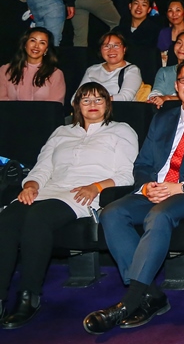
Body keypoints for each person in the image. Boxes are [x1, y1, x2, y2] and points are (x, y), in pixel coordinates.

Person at [82, 57, 184, 334]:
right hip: (154, 189)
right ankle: (152, 295)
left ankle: (129, 301)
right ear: (176, 85)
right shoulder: (162, 119)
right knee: (113, 212)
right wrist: (147, 186)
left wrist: (181, 187)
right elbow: (142, 165)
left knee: (159, 215)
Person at [0, 83, 137, 328]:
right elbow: (42, 168)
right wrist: (30, 185)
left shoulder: (122, 131)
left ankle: (28, 296)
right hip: (48, 189)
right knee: (8, 217)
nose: (92, 105)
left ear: (108, 104)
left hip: (85, 193)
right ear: (77, 106)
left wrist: (97, 186)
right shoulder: (61, 132)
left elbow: (126, 175)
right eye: (86, 100)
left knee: (38, 217)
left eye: (98, 100)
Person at [0, 29, 65, 103]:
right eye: (33, 41)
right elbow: (1, 101)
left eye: (42, 43)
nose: (36, 46)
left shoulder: (55, 74)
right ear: (25, 44)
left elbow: (55, 106)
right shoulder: (5, 70)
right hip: (9, 114)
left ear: (46, 49)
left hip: (43, 114)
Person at [80, 31, 143, 102]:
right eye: (106, 46)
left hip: (118, 110)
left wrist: (96, 102)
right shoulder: (91, 70)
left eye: (116, 46)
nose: (111, 50)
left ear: (124, 49)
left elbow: (125, 97)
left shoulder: (131, 70)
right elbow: (76, 97)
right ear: (100, 50)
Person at [148, 30, 184, 107]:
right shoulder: (164, 72)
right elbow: (156, 93)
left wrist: (168, 98)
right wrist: (156, 99)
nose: (182, 48)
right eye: (179, 43)